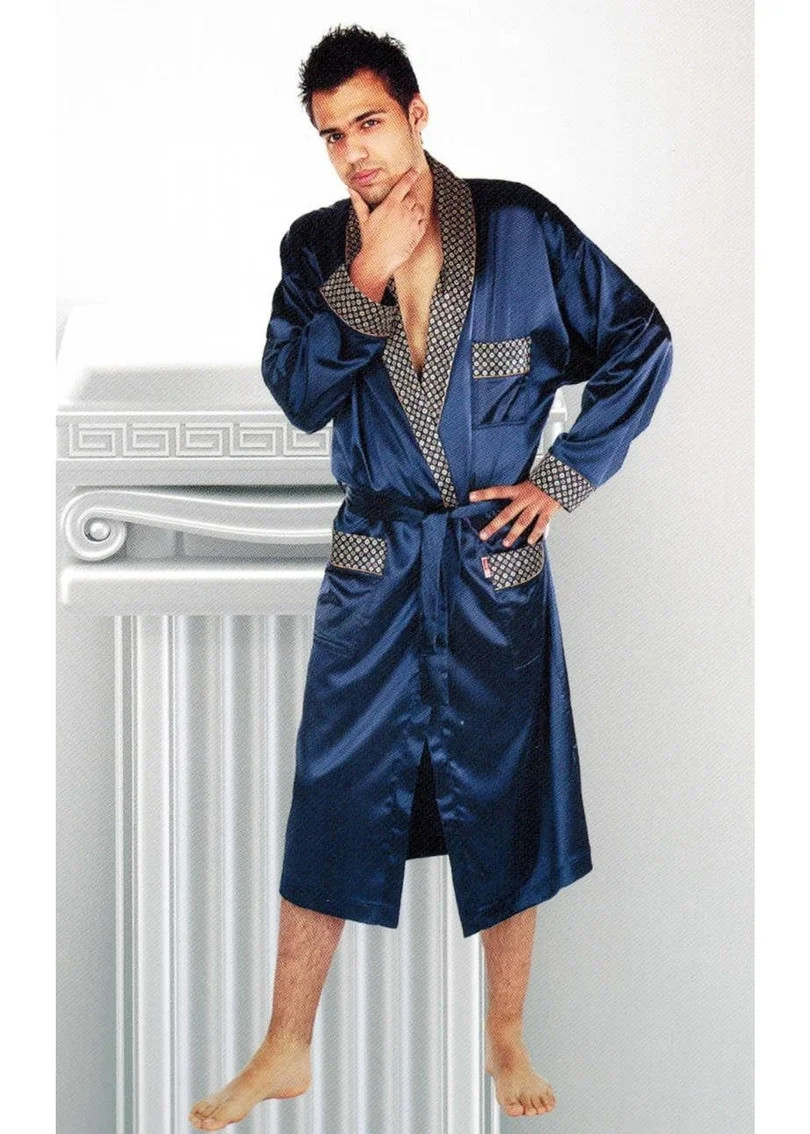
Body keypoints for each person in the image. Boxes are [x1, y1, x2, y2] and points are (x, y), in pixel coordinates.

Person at [189, 24, 673, 1131]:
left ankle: (506, 1033)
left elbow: (641, 340)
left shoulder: (521, 230)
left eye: (369, 122)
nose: (354, 152)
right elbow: (298, 397)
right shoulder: (316, 250)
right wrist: (362, 279)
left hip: (493, 564)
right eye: (331, 136)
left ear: (415, 114)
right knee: (332, 792)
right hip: (376, 563)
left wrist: (563, 476)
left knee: (507, 792)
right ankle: (285, 1044)